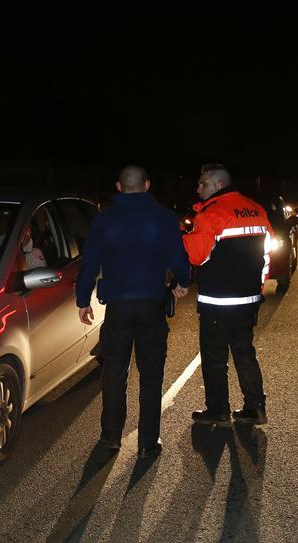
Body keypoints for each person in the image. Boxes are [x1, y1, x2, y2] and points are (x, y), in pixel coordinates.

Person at [76, 165, 191, 458]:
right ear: (147, 185)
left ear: (118, 186)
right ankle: (147, 442)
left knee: (114, 372)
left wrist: (82, 300)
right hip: (152, 304)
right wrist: (182, 281)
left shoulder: (105, 219)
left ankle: (111, 437)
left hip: (118, 307)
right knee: (151, 374)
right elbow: (178, 256)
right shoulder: (164, 217)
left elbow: (89, 262)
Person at [182, 164, 274, 426]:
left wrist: (185, 235)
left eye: (203, 184)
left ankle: (218, 411)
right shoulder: (256, 209)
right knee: (244, 352)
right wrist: (258, 286)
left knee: (214, 357)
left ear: (218, 185)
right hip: (248, 299)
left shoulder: (211, 214)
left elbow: (195, 256)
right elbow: (266, 254)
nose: (198, 188)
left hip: (217, 301)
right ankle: (256, 407)